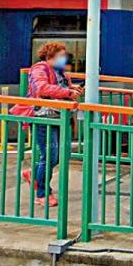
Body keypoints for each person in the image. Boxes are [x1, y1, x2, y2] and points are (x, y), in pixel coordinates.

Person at [11, 42, 82, 207]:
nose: (64, 59)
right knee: (49, 155)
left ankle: (34, 175)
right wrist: (68, 92)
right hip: (42, 116)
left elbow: (65, 91)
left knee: (55, 156)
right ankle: (42, 193)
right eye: (61, 56)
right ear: (50, 56)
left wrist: (74, 91)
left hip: (59, 116)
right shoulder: (39, 69)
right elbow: (42, 88)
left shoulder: (61, 73)